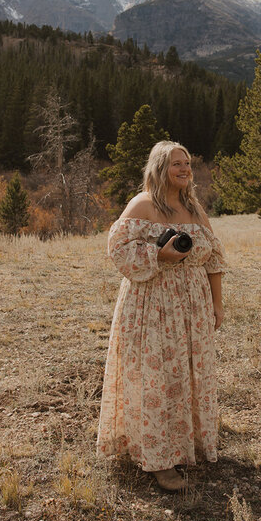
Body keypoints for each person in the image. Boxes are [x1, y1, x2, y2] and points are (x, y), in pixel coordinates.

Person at [96, 140, 226, 491]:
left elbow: (214, 258)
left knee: (185, 375)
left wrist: (216, 304)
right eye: (176, 164)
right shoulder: (143, 204)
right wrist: (159, 256)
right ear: (159, 168)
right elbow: (117, 250)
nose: (185, 169)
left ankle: (184, 447)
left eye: (187, 163)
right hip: (151, 303)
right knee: (156, 378)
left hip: (193, 307)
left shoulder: (195, 209)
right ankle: (158, 461)